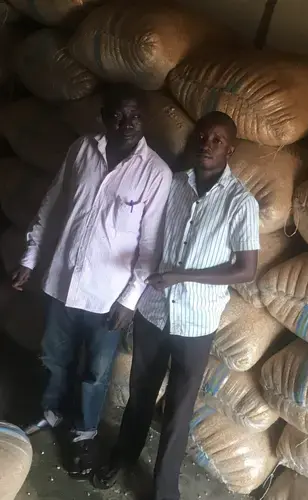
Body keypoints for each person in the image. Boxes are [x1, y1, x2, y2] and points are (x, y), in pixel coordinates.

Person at [94, 111, 260, 500]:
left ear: (230, 149)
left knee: (178, 410)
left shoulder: (241, 203)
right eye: (203, 136)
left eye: (218, 140)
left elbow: (245, 269)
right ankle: (123, 455)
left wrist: (183, 276)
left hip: (196, 322)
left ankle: (163, 487)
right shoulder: (174, 184)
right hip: (153, 312)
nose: (207, 144)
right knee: (140, 392)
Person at [12, 83, 172, 479]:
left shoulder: (156, 174)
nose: (126, 123)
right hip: (62, 281)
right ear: (103, 117)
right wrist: (31, 259)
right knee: (52, 356)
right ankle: (49, 411)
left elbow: (150, 246)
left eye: (134, 116)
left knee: (96, 372)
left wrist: (129, 300)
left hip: (108, 297)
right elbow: (53, 205)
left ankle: (83, 433)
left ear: (145, 119)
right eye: (117, 115)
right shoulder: (82, 149)